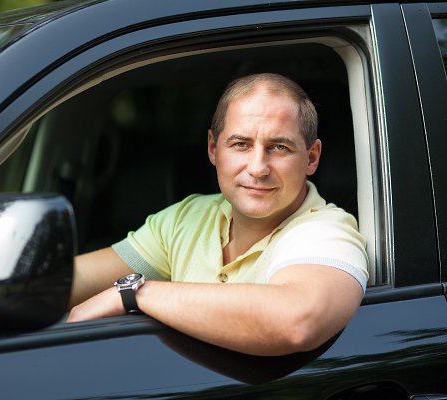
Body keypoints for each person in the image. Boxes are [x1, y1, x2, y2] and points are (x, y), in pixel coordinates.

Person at [67, 73, 368, 356]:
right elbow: (65, 284)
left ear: (311, 158)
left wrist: (134, 294)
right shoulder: (187, 216)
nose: (257, 168)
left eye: (278, 147)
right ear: (213, 148)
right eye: (241, 144)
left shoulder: (327, 232)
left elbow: (298, 322)